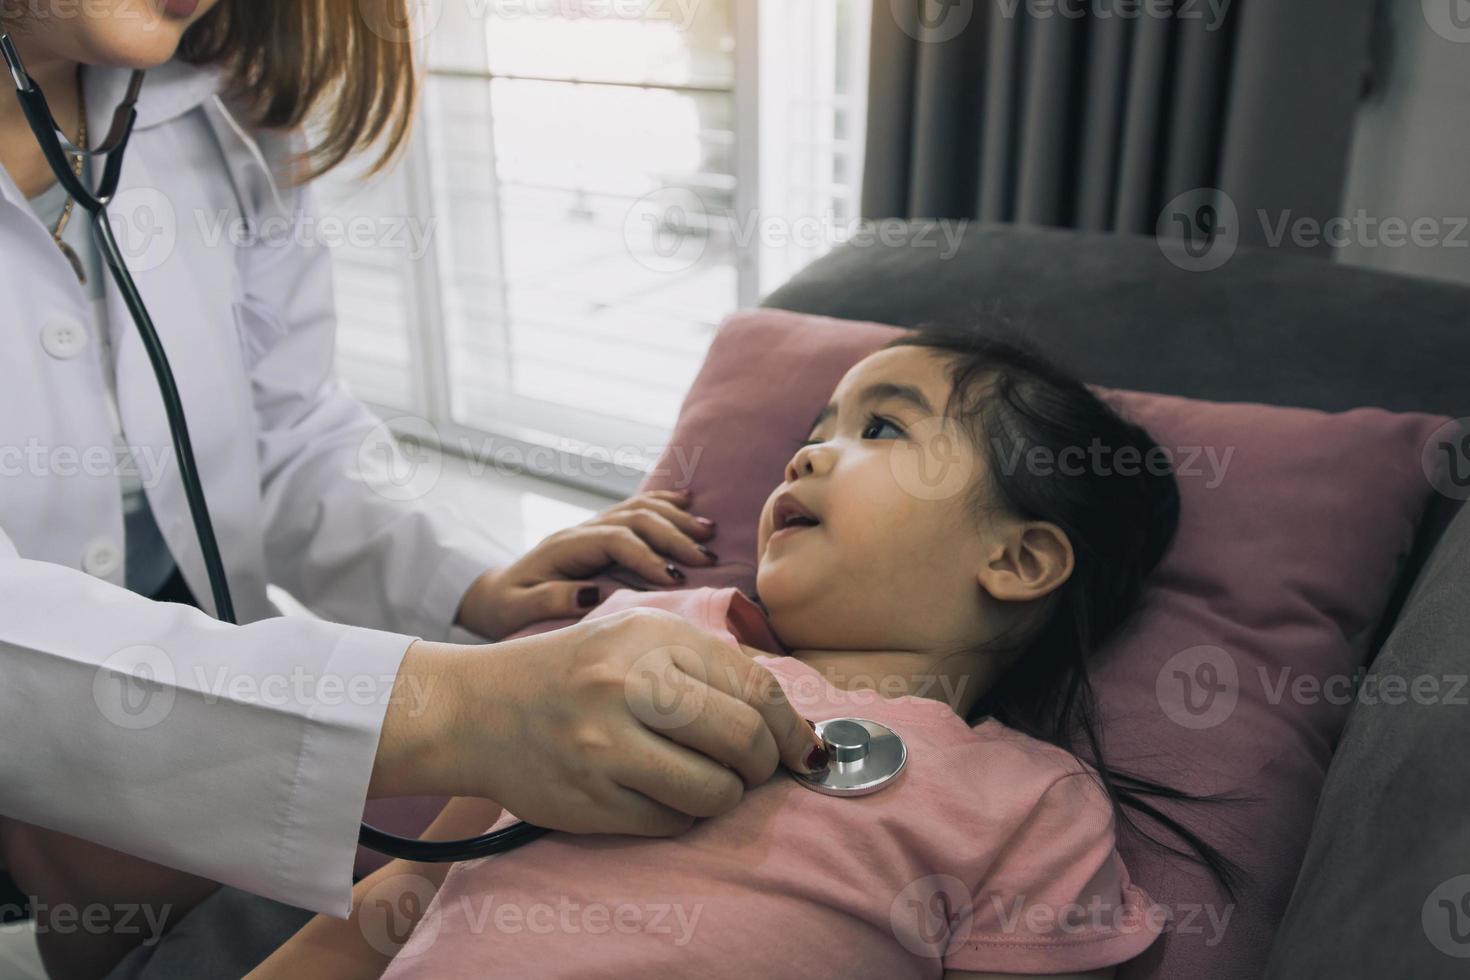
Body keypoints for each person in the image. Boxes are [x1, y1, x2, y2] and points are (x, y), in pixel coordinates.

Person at [0, 1, 825, 972]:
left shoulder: (215, 104)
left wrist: (469, 589)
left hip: (201, 740)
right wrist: (459, 709)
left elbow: (287, 425)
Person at [243, 330, 1242, 979]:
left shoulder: (1028, 803)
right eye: (812, 432)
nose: (804, 455)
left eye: (882, 426)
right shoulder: (639, 632)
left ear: (1018, 556)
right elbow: (407, 891)